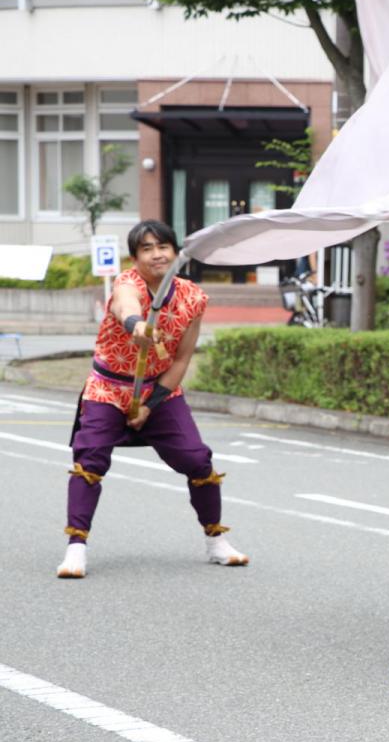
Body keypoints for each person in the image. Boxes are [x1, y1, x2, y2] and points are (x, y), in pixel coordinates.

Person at [56, 220, 248, 579]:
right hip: (108, 387)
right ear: (136, 257)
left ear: (175, 252)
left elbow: (180, 360)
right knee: (90, 458)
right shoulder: (128, 283)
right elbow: (123, 306)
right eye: (147, 249)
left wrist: (150, 404)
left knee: (196, 459)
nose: (157, 254)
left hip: (159, 390)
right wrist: (136, 325)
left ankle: (215, 541)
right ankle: (76, 548)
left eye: (163, 247)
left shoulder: (193, 298)